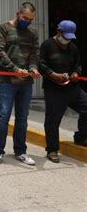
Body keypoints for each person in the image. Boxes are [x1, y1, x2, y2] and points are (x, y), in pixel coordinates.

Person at [0, 2, 40, 167]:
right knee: (3, 117)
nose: (27, 21)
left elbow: (34, 53)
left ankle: (21, 151)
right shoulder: (3, 28)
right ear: (18, 13)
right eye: (25, 18)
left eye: (30, 19)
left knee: (22, 118)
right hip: (8, 82)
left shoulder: (32, 33)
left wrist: (33, 68)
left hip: (26, 83)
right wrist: (15, 69)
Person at [39, 20, 87, 162]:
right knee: (53, 120)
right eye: (65, 36)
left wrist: (75, 74)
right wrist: (52, 74)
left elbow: (78, 65)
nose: (67, 40)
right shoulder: (47, 45)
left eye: (70, 38)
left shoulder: (73, 48)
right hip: (53, 89)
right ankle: (52, 149)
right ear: (58, 32)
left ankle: (81, 137)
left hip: (72, 89)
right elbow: (41, 64)